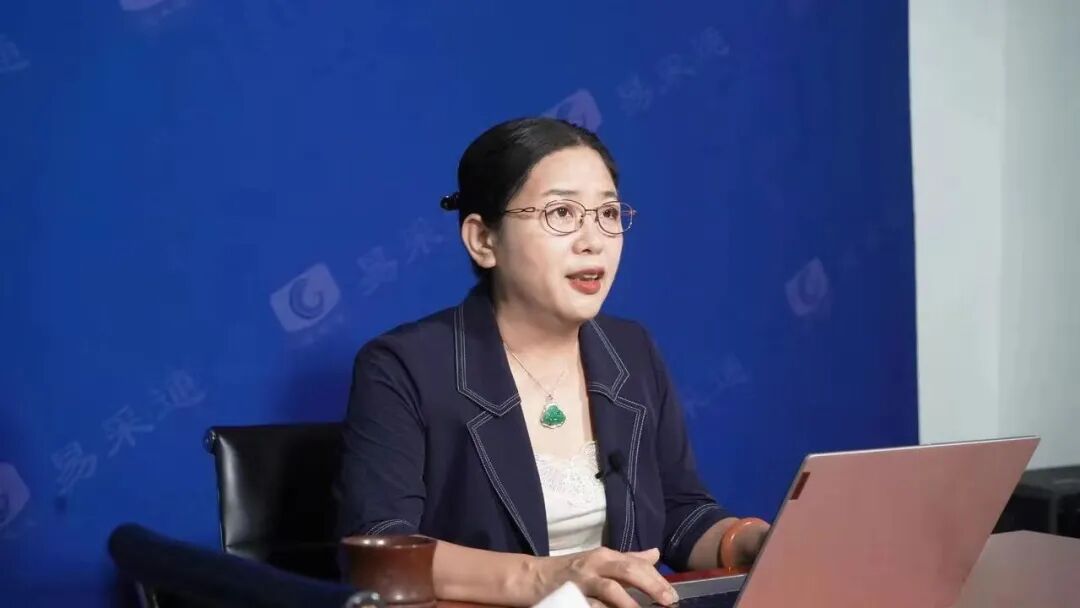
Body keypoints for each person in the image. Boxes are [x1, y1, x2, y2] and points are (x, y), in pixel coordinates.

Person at [336, 117, 769, 608]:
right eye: (562, 212)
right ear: (483, 240)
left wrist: (752, 542)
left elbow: (676, 511)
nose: (593, 240)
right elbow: (383, 550)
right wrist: (549, 577)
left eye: (608, 213)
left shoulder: (631, 350)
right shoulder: (403, 367)